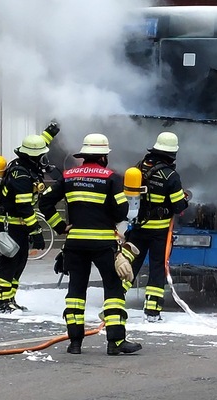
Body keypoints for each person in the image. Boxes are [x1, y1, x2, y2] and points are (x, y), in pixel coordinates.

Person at [38, 133, 142, 355]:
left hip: (75, 243)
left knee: (76, 291)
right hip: (103, 243)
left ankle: (75, 343)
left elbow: (45, 200)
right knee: (113, 290)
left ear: (83, 156)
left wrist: (59, 226)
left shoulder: (68, 176)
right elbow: (122, 211)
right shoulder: (112, 178)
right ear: (104, 157)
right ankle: (115, 342)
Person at [0, 122, 60, 313]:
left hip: (18, 223)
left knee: (20, 261)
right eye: (41, 155)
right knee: (9, 261)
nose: (43, 158)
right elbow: (23, 207)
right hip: (10, 223)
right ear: (33, 156)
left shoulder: (26, 164)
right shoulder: (21, 175)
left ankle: (10, 299)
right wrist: (36, 231)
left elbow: (39, 143)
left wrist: (51, 132)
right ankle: (2, 302)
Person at [126, 131, 190, 322]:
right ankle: (152, 312)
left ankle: (114, 303)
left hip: (136, 229)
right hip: (159, 233)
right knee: (157, 269)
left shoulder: (138, 168)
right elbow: (178, 206)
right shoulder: (170, 175)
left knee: (130, 266)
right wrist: (185, 199)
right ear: (172, 154)